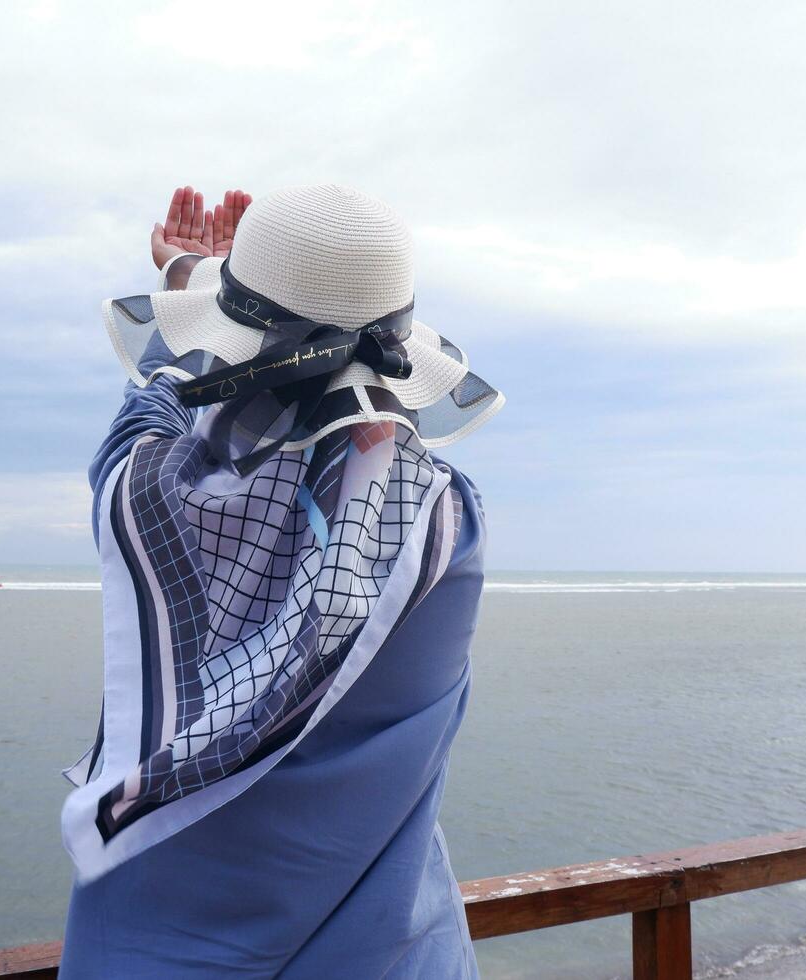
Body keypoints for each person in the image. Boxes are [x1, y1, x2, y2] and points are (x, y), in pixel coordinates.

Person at [57, 183, 504, 978]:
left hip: (150, 956)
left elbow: (154, 406)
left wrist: (195, 279)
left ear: (231, 339)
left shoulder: (143, 492)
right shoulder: (443, 531)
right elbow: (364, 463)